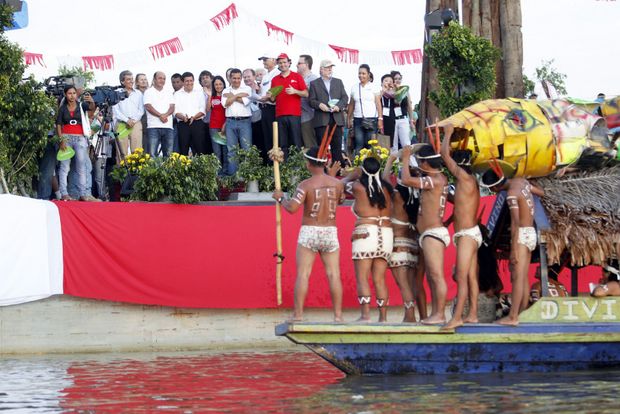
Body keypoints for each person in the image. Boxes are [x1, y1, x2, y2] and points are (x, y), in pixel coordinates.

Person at [271, 146, 345, 322]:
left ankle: (298, 315)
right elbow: (340, 200)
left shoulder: (305, 185)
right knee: (334, 274)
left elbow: (292, 208)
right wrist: (331, 179)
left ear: (310, 165)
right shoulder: (337, 184)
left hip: (309, 231)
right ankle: (338, 316)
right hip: (330, 231)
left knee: (303, 274)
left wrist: (280, 198)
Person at [480, 167, 545, 326]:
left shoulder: (511, 195)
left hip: (521, 235)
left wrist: (514, 250)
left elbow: (515, 223)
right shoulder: (521, 182)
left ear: (494, 187)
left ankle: (513, 316)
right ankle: (522, 312)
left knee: (517, 277)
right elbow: (542, 192)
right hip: (531, 232)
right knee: (523, 276)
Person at [401, 144, 449, 324]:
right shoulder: (438, 178)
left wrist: (406, 157)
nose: (418, 164)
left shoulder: (434, 180)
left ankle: (440, 314)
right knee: (431, 276)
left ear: (426, 163)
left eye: (420, 161)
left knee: (436, 276)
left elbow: (406, 180)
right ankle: (437, 313)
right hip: (430, 233)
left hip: (433, 233)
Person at [440, 124, 481, 330]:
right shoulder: (470, 181)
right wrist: (447, 222)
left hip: (466, 235)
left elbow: (444, 155)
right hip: (471, 233)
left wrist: (447, 134)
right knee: (471, 277)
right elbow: (460, 205)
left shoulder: (464, 178)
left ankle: (457, 317)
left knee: (462, 277)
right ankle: (472, 314)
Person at [343, 156, 393, 322]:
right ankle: (383, 318)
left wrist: (351, 175)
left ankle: (365, 315)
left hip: (365, 232)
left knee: (362, 277)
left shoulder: (357, 186)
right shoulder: (387, 187)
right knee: (380, 279)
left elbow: (339, 185)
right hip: (386, 233)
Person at [382, 153, 419, 322]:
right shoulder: (417, 195)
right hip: (412, 242)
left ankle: (410, 315)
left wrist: (390, 160)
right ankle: (409, 314)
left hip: (398, 243)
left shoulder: (396, 196)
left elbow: (384, 180)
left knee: (403, 283)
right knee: (409, 282)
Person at [55, 85, 99, 201]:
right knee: (64, 167)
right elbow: (58, 125)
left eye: (74, 93)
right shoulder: (62, 108)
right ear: (65, 94)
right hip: (66, 138)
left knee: (81, 166)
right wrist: (61, 140)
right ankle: (64, 193)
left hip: (80, 138)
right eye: (69, 93)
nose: (72, 95)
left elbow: (90, 113)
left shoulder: (81, 105)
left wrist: (92, 102)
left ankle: (83, 194)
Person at [308, 59, 348, 164]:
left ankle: (338, 170)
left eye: (331, 67)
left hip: (336, 117)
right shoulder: (314, 83)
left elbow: (345, 98)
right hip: (322, 118)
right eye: (327, 68)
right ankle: (322, 170)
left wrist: (338, 107)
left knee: (337, 146)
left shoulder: (338, 82)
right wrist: (319, 105)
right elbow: (311, 101)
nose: (329, 70)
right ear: (321, 70)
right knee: (322, 146)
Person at [268, 53, 308, 156]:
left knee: (296, 142)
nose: (282, 64)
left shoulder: (297, 76)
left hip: (294, 115)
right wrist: (271, 96)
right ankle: (285, 169)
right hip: (280, 115)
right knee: (282, 144)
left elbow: (306, 93)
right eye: (280, 63)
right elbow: (273, 99)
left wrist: (295, 91)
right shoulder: (275, 79)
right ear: (277, 64)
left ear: (289, 63)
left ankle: (298, 169)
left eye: (284, 62)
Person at [347, 64, 383, 154]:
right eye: (359, 73)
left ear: (368, 74)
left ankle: (370, 166)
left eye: (363, 73)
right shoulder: (354, 87)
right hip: (358, 119)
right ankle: (358, 165)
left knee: (370, 144)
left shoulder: (374, 86)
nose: (361, 75)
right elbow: (351, 104)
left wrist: (380, 118)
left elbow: (378, 103)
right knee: (359, 144)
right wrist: (348, 118)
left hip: (372, 119)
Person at [222, 68, 252, 175]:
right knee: (231, 151)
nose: (236, 80)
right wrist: (238, 95)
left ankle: (247, 176)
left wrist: (232, 97)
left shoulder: (247, 89)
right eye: (234, 78)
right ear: (230, 78)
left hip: (245, 122)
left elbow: (246, 102)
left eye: (239, 78)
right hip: (230, 122)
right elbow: (225, 104)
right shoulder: (225, 90)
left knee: (247, 150)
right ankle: (233, 178)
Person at [112, 70, 145, 161]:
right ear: (122, 81)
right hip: (121, 123)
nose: (131, 81)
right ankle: (122, 173)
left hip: (136, 123)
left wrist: (133, 121)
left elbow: (141, 110)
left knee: (137, 151)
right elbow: (115, 110)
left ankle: (137, 173)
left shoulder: (138, 93)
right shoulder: (116, 93)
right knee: (121, 151)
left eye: (132, 79)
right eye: (128, 79)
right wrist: (127, 120)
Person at [174, 72, 207, 156]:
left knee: (200, 150)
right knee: (183, 150)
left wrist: (194, 117)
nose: (189, 83)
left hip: (197, 123)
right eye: (187, 81)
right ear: (182, 82)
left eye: (191, 80)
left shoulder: (199, 93)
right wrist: (183, 117)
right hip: (183, 124)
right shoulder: (177, 94)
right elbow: (175, 111)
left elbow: (202, 109)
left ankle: (200, 169)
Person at [143, 71, 175, 157]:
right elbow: (148, 106)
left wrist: (165, 115)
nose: (162, 80)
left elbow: (172, 108)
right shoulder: (148, 92)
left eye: (164, 78)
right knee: (152, 154)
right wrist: (160, 115)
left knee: (168, 155)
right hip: (153, 127)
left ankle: (167, 171)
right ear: (154, 79)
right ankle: (153, 171)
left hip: (168, 126)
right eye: (160, 78)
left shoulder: (169, 92)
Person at [257, 52, 279, 160]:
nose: (264, 62)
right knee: (267, 138)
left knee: (274, 137)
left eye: (266, 59)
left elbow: (275, 92)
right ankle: (271, 166)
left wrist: (266, 97)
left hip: (273, 108)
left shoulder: (278, 73)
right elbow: (262, 92)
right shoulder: (265, 75)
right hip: (264, 108)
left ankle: (277, 166)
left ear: (274, 60)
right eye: (263, 60)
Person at [296, 54, 319, 148]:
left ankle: (312, 163)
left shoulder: (314, 79)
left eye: (299, 63)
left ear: (306, 64)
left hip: (308, 117)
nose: (296, 65)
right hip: (297, 117)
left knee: (309, 146)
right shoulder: (297, 78)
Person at [243, 68, 265, 161]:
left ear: (254, 77)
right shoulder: (242, 90)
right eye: (244, 77)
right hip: (247, 121)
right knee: (250, 144)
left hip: (260, 120)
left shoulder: (261, 87)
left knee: (262, 143)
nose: (247, 79)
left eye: (249, 76)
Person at [390, 71, 415, 149]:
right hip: (392, 120)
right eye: (395, 78)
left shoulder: (405, 91)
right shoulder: (389, 92)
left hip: (403, 119)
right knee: (393, 145)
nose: (398, 80)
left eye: (399, 78)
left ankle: (410, 160)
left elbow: (409, 107)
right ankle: (395, 161)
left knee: (406, 143)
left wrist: (411, 121)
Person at [209, 75, 228, 175]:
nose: (218, 86)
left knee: (225, 150)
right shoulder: (212, 96)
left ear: (224, 84)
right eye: (216, 84)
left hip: (225, 126)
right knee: (217, 151)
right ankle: (218, 172)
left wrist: (225, 124)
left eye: (220, 84)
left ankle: (225, 171)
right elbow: (207, 109)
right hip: (213, 126)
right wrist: (209, 96)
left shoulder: (226, 96)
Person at [199, 70, 214, 155]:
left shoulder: (217, 90)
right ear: (200, 82)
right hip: (204, 123)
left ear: (211, 79)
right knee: (206, 146)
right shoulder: (199, 93)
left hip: (216, 122)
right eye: (202, 78)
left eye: (207, 77)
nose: (205, 80)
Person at [135, 73, 149, 152]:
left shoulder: (151, 92)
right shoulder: (134, 93)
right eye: (141, 80)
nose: (144, 81)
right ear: (137, 82)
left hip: (150, 121)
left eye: (145, 79)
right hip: (139, 121)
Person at [170, 73, 183, 153]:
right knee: (175, 146)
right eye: (173, 82)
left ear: (182, 82)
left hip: (185, 122)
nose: (175, 84)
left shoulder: (188, 93)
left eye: (177, 82)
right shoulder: (171, 95)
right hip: (174, 123)